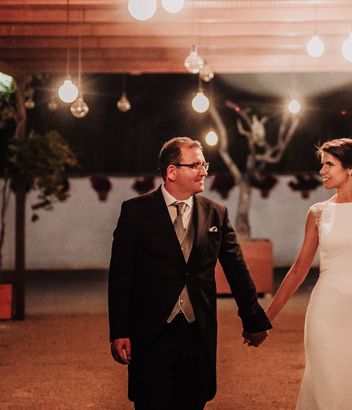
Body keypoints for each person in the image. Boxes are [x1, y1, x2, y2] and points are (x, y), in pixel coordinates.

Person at [108, 136, 271, 410]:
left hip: (198, 333)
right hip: (151, 333)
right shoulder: (136, 212)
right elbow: (120, 276)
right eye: (195, 165)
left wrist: (253, 320)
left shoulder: (216, 214)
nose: (204, 171)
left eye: (204, 164)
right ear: (171, 172)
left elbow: (237, 271)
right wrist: (119, 331)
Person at [266, 138, 352, 410]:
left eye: (329, 164)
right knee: (327, 384)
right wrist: (266, 317)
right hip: (325, 314)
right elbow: (299, 269)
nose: (322, 171)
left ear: (350, 168)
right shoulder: (317, 213)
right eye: (322, 164)